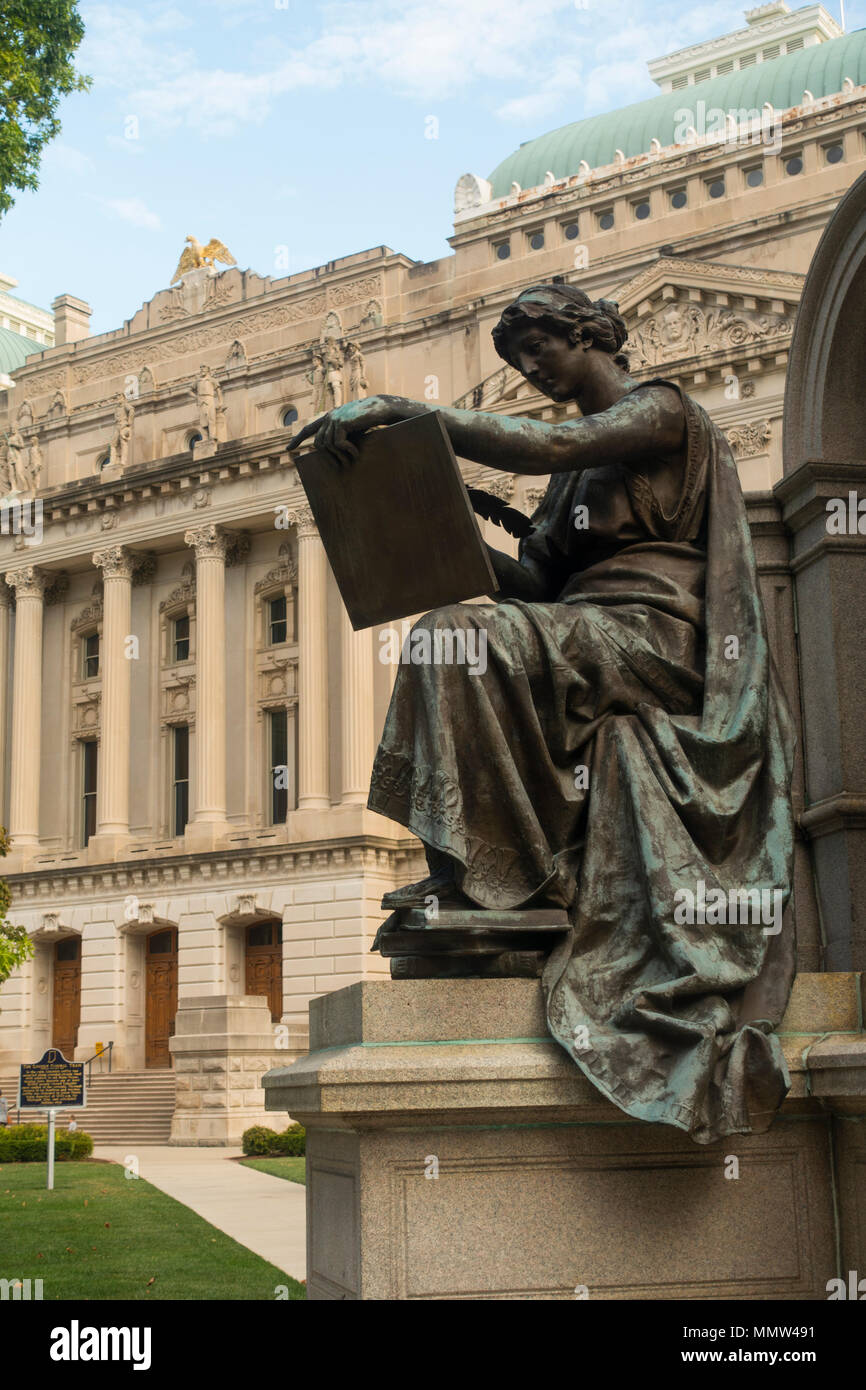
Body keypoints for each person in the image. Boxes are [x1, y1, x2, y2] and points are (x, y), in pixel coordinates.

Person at [289, 283, 795, 1144]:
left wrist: (414, 415)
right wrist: (446, 533)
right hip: (585, 629)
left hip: (663, 640)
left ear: (590, 334)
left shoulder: (661, 412)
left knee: (472, 644)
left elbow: (554, 442)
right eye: (520, 362)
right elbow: (538, 587)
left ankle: (504, 877)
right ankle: (478, 874)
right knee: (449, 632)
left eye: (539, 352)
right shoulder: (569, 490)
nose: (532, 371)